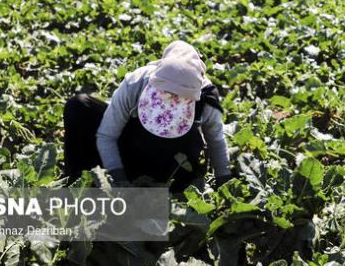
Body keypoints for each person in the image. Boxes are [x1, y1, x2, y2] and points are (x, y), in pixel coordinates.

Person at [62, 40, 232, 190]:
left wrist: (225, 184)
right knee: (79, 106)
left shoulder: (207, 97)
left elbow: (216, 141)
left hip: (173, 164)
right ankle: (80, 188)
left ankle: (169, 190)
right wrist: (119, 179)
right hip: (133, 150)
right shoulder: (135, 82)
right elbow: (107, 135)